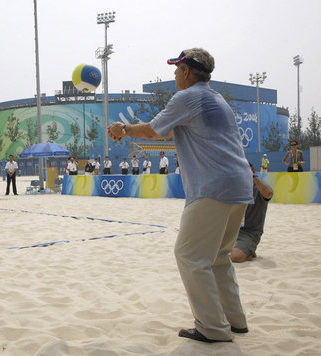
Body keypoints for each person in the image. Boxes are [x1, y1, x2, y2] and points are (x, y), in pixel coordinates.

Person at [107, 48, 253, 343]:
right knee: (219, 256)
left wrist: (123, 128)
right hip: (239, 186)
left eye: (176, 69)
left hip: (213, 186)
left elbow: (153, 131)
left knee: (189, 255)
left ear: (187, 71)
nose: (174, 74)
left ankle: (213, 328)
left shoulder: (188, 97)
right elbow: (172, 132)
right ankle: (235, 321)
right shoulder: (217, 99)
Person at [231, 162, 274, 263]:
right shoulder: (236, 190)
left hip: (250, 233)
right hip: (233, 231)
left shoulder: (258, 190)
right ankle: (246, 250)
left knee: (236, 257)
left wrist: (253, 177)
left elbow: (269, 193)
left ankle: (246, 251)